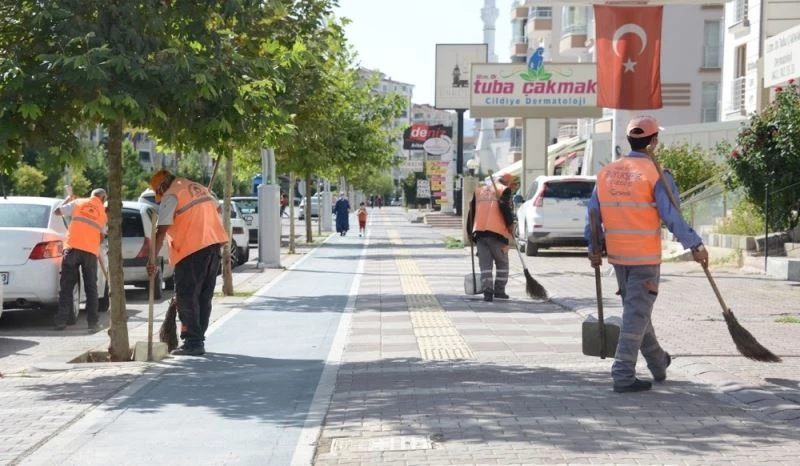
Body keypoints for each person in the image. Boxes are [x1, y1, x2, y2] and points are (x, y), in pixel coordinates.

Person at [585, 116, 709, 393]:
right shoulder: (657, 175)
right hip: (644, 259)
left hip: (618, 259)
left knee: (638, 314)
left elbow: (593, 216)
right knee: (635, 318)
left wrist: (593, 249)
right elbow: (672, 216)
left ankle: (657, 363)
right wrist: (696, 246)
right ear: (653, 142)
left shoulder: (606, 173)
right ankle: (623, 374)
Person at [147, 169, 229, 356]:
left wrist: (151, 259)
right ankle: (197, 338)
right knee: (203, 296)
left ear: (162, 186)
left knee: (186, 295)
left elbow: (161, 231)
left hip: (191, 250)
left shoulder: (171, 194)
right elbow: (216, 208)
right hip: (213, 245)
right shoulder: (198, 188)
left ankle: (193, 342)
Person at [53, 188, 108, 332]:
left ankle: (61, 321)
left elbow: (57, 212)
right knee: (91, 288)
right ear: (103, 199)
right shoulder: (103, 213)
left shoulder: (78, 202)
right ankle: (92, 324)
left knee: (67, 287)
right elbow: (102, 237)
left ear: (91, 195)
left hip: (72, 249)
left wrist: (68, 199)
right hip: (90, 253)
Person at [466, 173, 516, 302]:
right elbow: (504, 207)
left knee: (485, 265)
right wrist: (510, 223)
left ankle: (487, 291)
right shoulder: (503, 190)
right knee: (502, 263)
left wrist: (469, 232)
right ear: (507, 182)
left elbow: (471, 212)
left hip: (480, 233)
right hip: (497, 233)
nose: (513, 187)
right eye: (512, 184)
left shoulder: (479, 191)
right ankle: (499, 291)